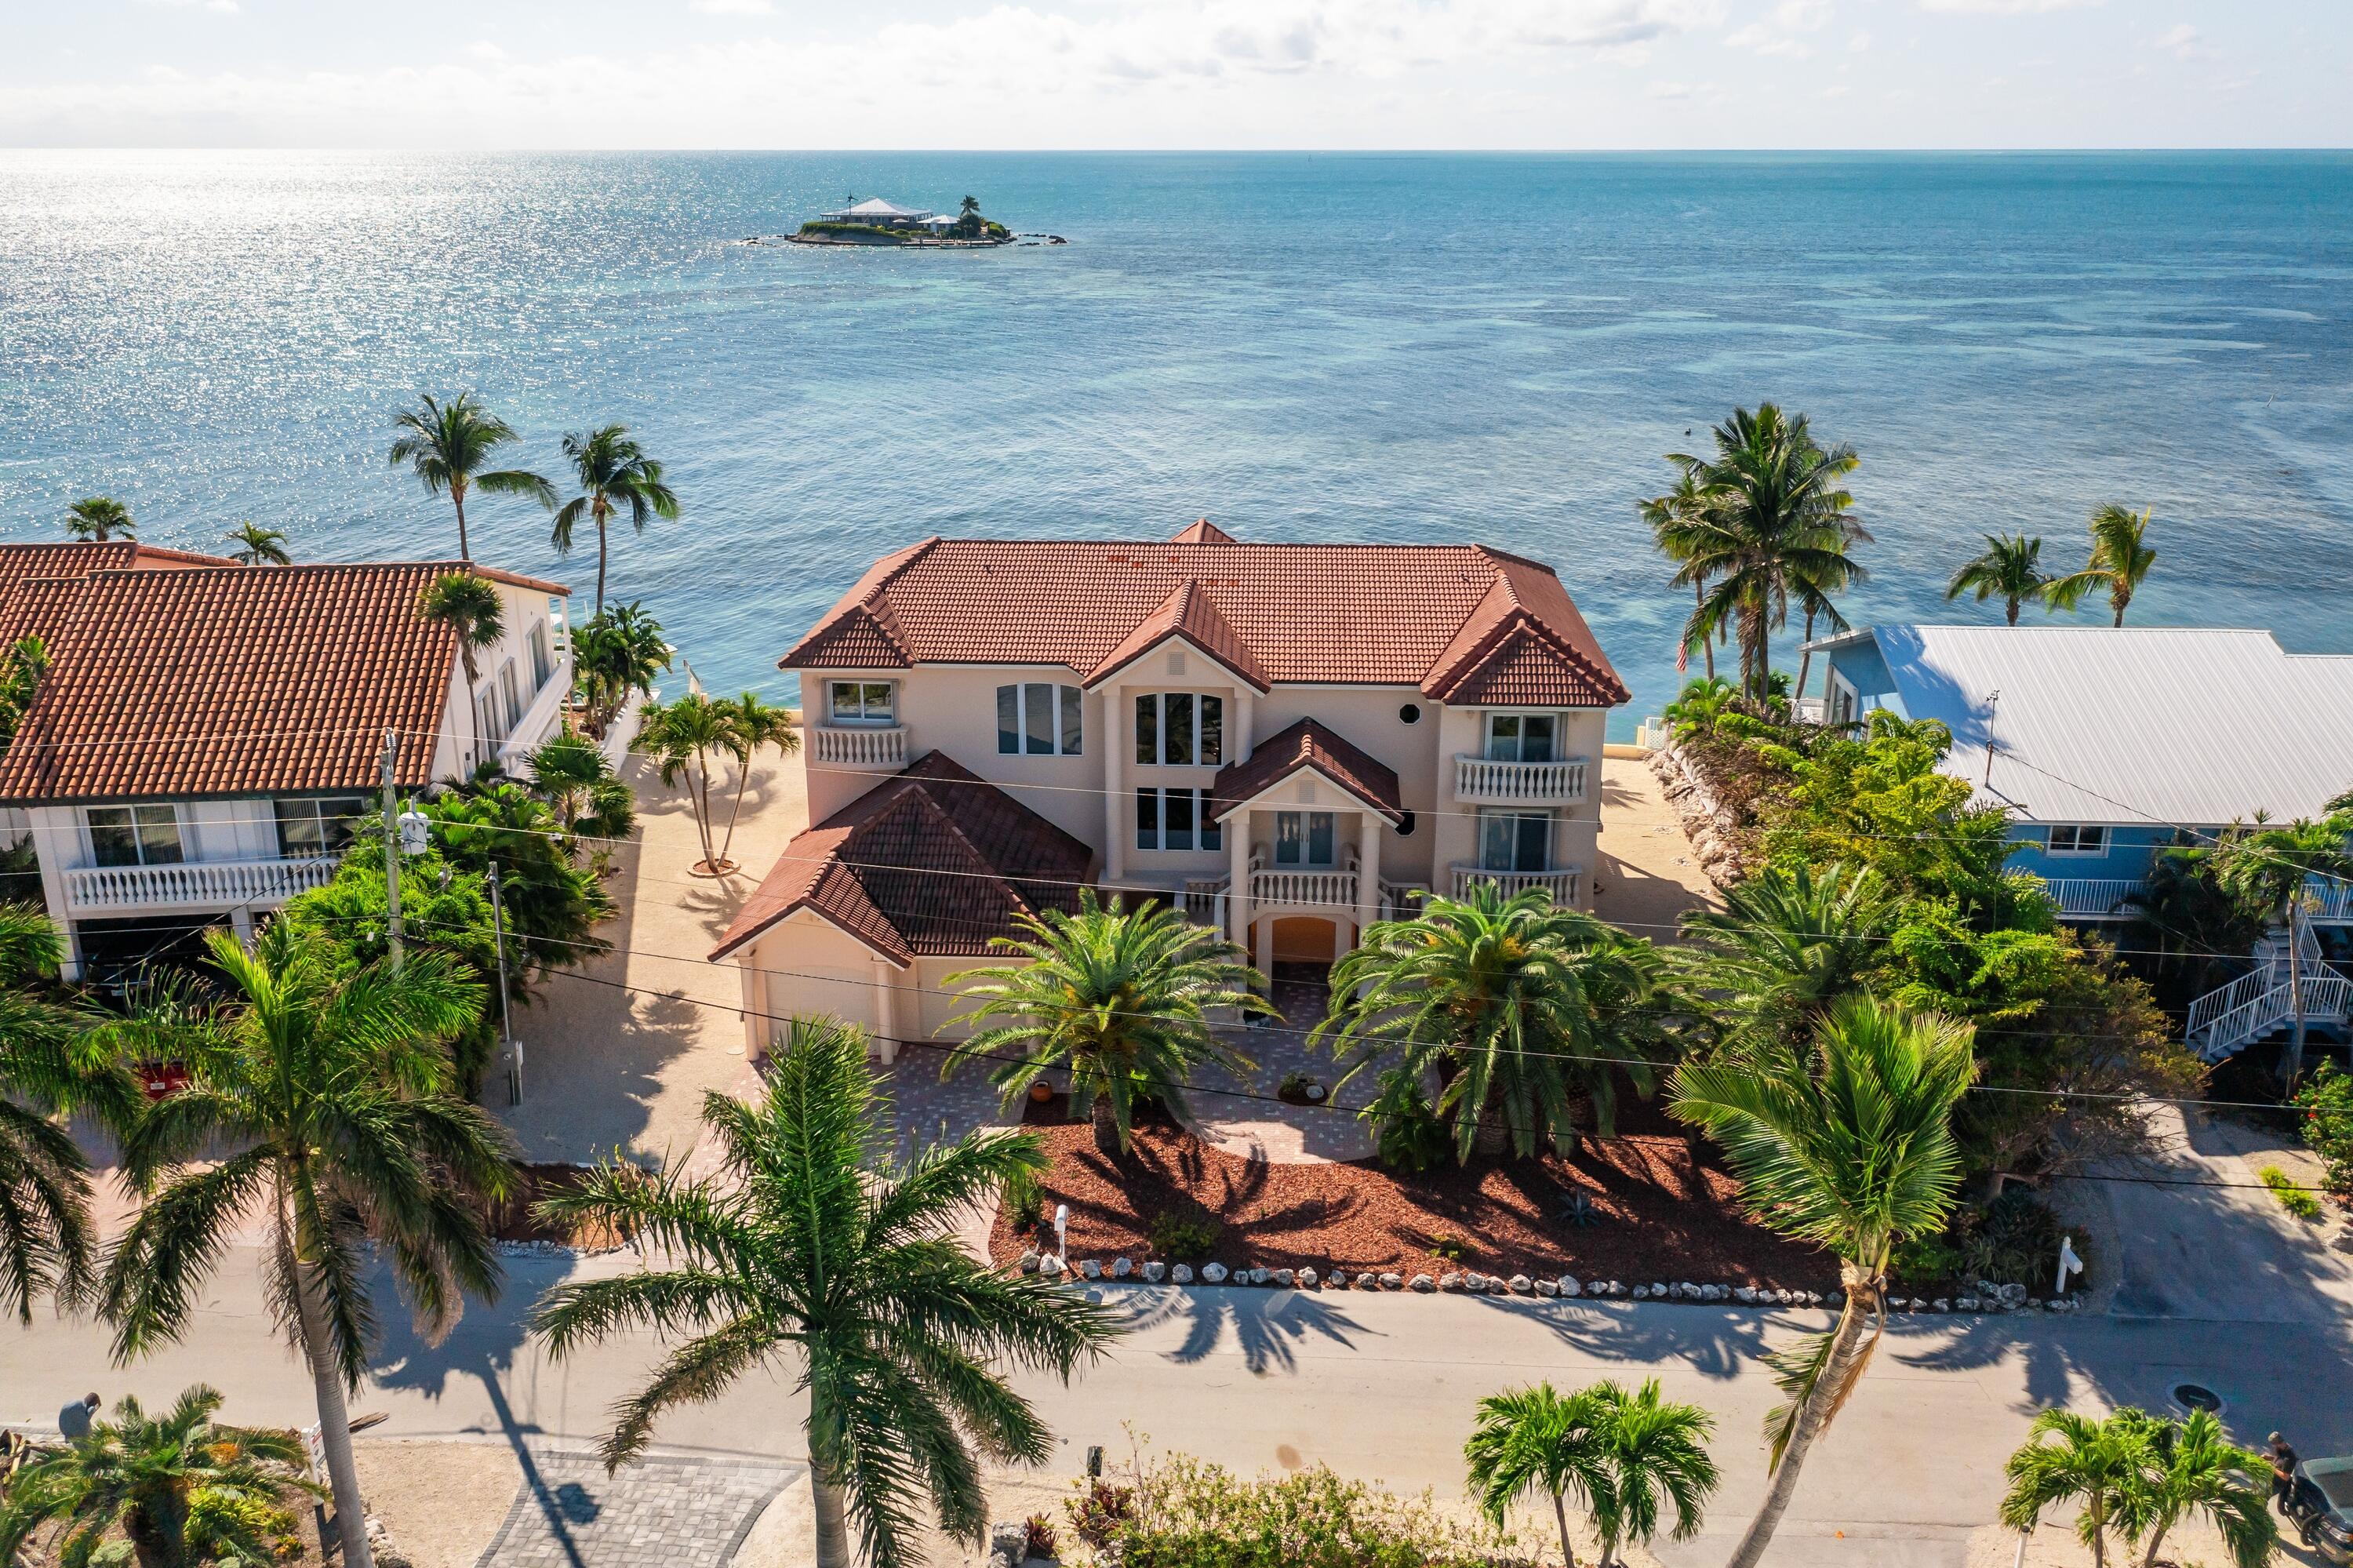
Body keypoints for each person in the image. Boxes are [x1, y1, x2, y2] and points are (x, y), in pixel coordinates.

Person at [2268, 1432, 2300, 1512]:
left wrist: (2272, 1468)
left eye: (2273, 1444)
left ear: (2276, 1444)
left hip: (2277, 1484)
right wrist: (2268, 1457)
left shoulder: (2289, 1458)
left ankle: (2257, 1515)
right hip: (2270, 1478)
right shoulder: (2280, 1449)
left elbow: (2285, 1477)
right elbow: (2278, 1458)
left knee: (2263, 1498)